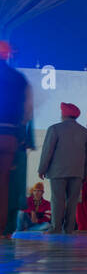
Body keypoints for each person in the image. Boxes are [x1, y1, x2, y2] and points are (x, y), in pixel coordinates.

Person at [38, 102, 87, 234]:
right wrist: (85, 173)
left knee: (57, 200)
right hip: (77, 172)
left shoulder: (54, 129)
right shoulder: (85, 132)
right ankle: (69, 229)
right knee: (72, 201)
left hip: (57, 171)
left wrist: (42, 169)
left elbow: (48, 151)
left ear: (63, 114)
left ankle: (55, 228)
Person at [0, 45, 32, 236]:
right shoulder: (19, 79)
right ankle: (2, 227)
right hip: (9, 136)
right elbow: (27, 111)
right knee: (4, 182)